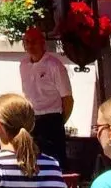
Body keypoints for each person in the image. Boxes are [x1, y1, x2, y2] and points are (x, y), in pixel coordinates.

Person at [19, 27, 73, 167]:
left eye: (34, 41)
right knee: (33, 163)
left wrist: (59, 122)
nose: (31, 45)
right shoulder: (23, 65)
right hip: (31, 120)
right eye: (27, 42)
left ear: (43, 43)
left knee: (54, 162)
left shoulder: (54, 65)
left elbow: (67, 99)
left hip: (51, 119)